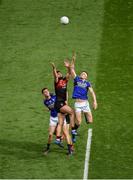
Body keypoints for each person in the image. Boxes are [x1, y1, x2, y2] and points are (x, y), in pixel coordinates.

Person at [65, 52, 98, 142]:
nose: (83, 74)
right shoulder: (76, 79)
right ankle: (74, 130)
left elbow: (92, 92)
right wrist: (73, 59)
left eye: (85, 74)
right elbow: (72, 69)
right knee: (79, 121)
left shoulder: (87, 83)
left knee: (90, 121)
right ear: (80, 75)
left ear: (86, 77)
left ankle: (81, 117)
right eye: (82, 73)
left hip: (85, 103)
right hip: (78, 104)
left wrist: (95, 101)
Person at [51, 63, 75, 155]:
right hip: (59, 103)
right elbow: (54, 75)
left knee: (65, 131)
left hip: (62, 105)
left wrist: (68, 67)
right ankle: (73, 128)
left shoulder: (65, 80)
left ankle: (69, 149)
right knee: (72, 111)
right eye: (57, 73)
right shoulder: (57, 81)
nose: (58, 74)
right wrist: (54, 68)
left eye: (59, 73)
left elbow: (69, 73)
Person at [42, 87, 71, 155]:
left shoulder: (55, 96)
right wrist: (49, 109)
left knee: (66, 133)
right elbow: (51, 107)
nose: (46, 92)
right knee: (50, 134)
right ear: (43, 94)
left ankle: (70, 150)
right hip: (52, 118)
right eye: (44, 92)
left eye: (47, 91)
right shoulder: (45, 102)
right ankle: (48, 148)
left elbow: (64, 94)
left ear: (49, 91)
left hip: (60, 116)